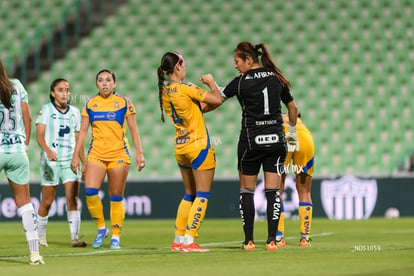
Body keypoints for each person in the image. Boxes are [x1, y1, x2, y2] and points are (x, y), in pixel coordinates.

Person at [221, 42, 298, 251]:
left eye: (237, 62)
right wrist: (291, 137)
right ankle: (272, 240)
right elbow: (293, 107)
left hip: (250, 141)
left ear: (248, 60)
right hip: (275, 141)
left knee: (247, 191)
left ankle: (249, 241)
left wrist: (209, 85)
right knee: (273, 191)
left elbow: (216, 99)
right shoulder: (276, 77)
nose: (235, 66)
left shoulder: (240, 82)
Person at [70, 69, 145, 250]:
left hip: (119, 154)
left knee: (116, 196)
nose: (104, 83)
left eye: (108, 80)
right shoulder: (90, 104)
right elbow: (83, 132)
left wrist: (140, 153)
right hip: (96, 154)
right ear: (96, 84)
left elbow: (134, 130)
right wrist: (75, 156)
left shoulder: (124, 103)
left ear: (114, 84)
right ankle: (102, 228)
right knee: (90, 191)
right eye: (101, 80)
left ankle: (116, 237)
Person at [157, 51, 222, 252]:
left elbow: (198, 109)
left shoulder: (165, 91)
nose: (185, 67)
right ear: (178, 66)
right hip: (198, 145)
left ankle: (178, 239)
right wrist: (212, 83)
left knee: (189, 194)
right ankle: (190, 239)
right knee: (202, 194)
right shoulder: (186, 87)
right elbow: (216, 99)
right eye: (183, 63)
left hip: (181, 147)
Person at [0, 59, 44, 265]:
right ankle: (34, 254)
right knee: (25, 203)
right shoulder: (17, 86)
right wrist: (24, 145)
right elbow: (27, 118)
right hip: (18, 151)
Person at [36, 78, 87, 248]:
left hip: (69, 161)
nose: (65, 93)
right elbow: (39, 135)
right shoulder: (46, 109)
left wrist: (82, 160)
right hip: (51, 161)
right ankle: (40, 236)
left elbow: (79, 139)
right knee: (47, 201)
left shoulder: (75, 112)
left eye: (67, 90)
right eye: (60, 90)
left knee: (72, 199)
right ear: (53, 93)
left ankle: (74, 238)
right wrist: (48, 151)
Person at [276, 113, 314, 247]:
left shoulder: (275, 116)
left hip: (284, 136)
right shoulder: (297, 118)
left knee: (277, 191)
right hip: (303, 137)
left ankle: (279, 237)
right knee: (304, 192)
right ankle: (305, 238)